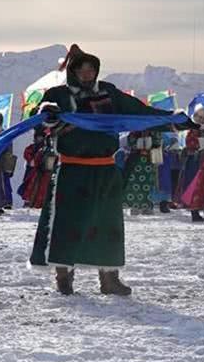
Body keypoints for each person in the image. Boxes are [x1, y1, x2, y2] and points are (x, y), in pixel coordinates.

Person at [32, 44, 176, 295]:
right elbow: (39, 120)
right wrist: (48, 114)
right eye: (82, 69)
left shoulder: (108, 93)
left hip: (105, 168)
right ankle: (63, 276)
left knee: (108, 223)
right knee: (67, 222)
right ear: (73, 71)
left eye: (92, 69)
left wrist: (173, 120)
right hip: (73, 169)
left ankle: (109, 279)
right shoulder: (58, 95)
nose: (88, 74)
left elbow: (138, 111)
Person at [181, 104, 204, 221]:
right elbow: (190, 144)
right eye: (200, 117)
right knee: (196, 187)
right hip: (197, 163)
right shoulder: (194, 130)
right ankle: (195, 212)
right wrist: (202, 143)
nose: (203, 120)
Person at [120, 130, 159, 216]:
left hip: (149, 161)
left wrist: (150, 148)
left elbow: (158, 143)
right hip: (135, 161)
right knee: (133, 183)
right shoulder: (134, 131)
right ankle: (135, 206)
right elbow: (130, 142)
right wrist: (138, 148)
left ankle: (147, 206)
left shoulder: (155, 131)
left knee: (148, 183)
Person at [17, 129, 53, 209]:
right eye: (38, 137)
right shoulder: (33, 147)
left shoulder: (48, 149)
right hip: (32, 170)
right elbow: (27, 153)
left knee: (41, 188)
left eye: (41, 138)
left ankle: (38, 202)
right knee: (29, 186)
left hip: (43, 172)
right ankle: (28, 201)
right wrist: (31, 160)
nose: (39, 139)